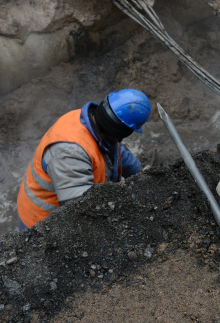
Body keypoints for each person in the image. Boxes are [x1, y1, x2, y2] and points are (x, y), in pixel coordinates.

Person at [16, 89, 151, 229]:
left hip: (69, 207)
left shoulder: (97, 124)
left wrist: (143, 176)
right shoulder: (68, 152)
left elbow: (115, 150)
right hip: (41, 225)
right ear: (124, 130)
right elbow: (80, 208)